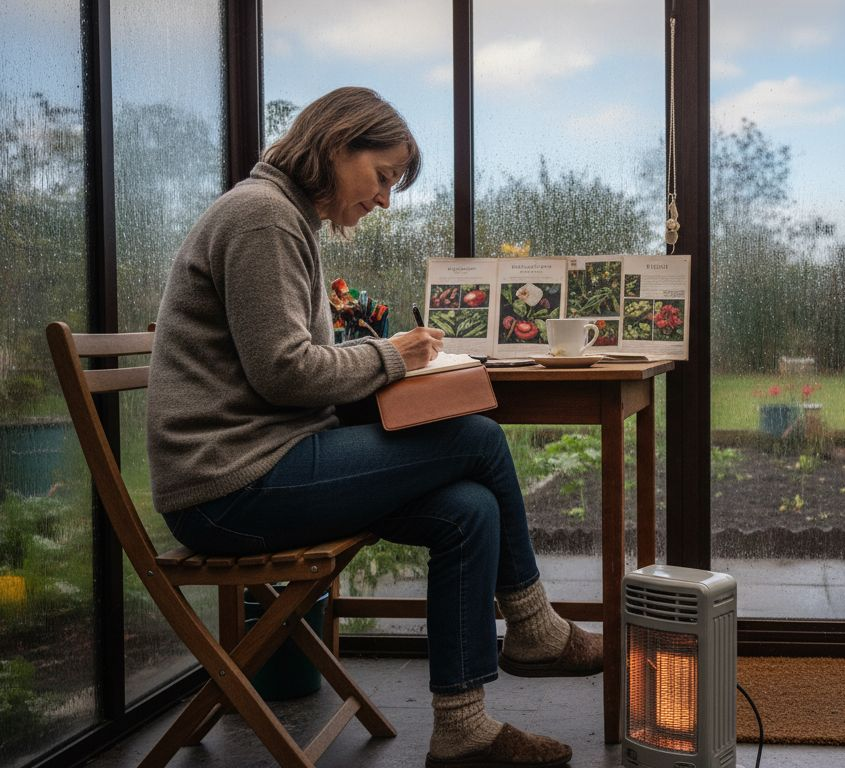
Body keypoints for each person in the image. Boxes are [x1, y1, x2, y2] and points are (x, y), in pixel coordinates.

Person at [147, 86, 598, 768]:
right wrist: (393, 355)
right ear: (336, 144)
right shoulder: (262, 218)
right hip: (230, 489)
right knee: (476, 437)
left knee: (468, 509)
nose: (386, 198)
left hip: (270, 463)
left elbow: (285, 375)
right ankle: (532, 625)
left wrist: (390, 370)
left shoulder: (283, 219)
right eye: (383, 176)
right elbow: (283, 373)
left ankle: (463, 728)